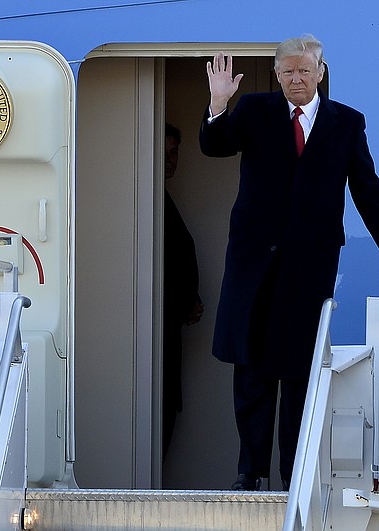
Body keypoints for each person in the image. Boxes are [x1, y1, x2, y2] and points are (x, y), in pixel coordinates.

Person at [199, 35, 379, 491]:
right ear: (277, 76)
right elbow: (214, 145)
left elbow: (366, 186)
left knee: (299, 370)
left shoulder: (347, 122)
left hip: (309, 265)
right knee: (253, 369)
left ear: (320, 73)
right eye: (288, 72)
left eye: (304, 70)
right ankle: (250, 473)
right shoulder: (256, 111)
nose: (296, 79)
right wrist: (219, 103)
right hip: (255, 262)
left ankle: (293, 474)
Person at [162, 123, 204, 462]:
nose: (169, 161)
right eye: (162, 153)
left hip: (169, 338)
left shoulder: (162, 200)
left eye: (174, 153)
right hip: (154, 342)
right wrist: (183, 305)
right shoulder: (143, 206)